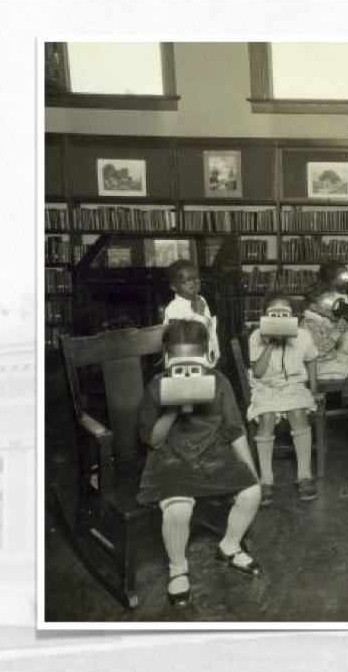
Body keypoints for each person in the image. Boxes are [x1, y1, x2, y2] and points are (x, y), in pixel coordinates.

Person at [137, 320, 261, 608]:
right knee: (178, 509)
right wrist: (172, 410)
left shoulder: (219, 382)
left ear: (207, 358)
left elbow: (234, 430)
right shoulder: (156, 386)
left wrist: (250, 471)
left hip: (213, 456)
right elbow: (152, 441)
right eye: (178, 365)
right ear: (167, 360)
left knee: (251, 492)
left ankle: (229, 546)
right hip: (170, 458)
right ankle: (177, 567)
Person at [247, 295, 320, 503]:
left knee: (297, 413)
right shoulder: (256, 336)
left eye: (284, 314)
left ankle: (304, 475)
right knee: (267, 417)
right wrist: (270, 344)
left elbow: (312, 359)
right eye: (273, 314)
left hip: (294, 386)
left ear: (293, 317)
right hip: (265, 386)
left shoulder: (304, 335)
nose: (279, 318)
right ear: (264, 317)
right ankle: (266, 479)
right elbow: (259, 372)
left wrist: (313, 388)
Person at [163, 259, 220, 365]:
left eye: (197, 278)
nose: (195, 283)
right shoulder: (173, 308)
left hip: (204, 356)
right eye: (188, 280)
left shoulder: (202, 300)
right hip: (183, 360)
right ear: (174, 286)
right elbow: (183, 339)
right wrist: (198, 314)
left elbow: (207, 329)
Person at [301, 284, 348, 382]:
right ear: (313, 306)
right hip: (317, 368)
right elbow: (319, 351)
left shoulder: (321, 320)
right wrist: (336, 332)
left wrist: (338, 327)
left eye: (332, 300)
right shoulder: (308, 324)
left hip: (328, 361)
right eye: (327, 302)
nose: (332, 305)